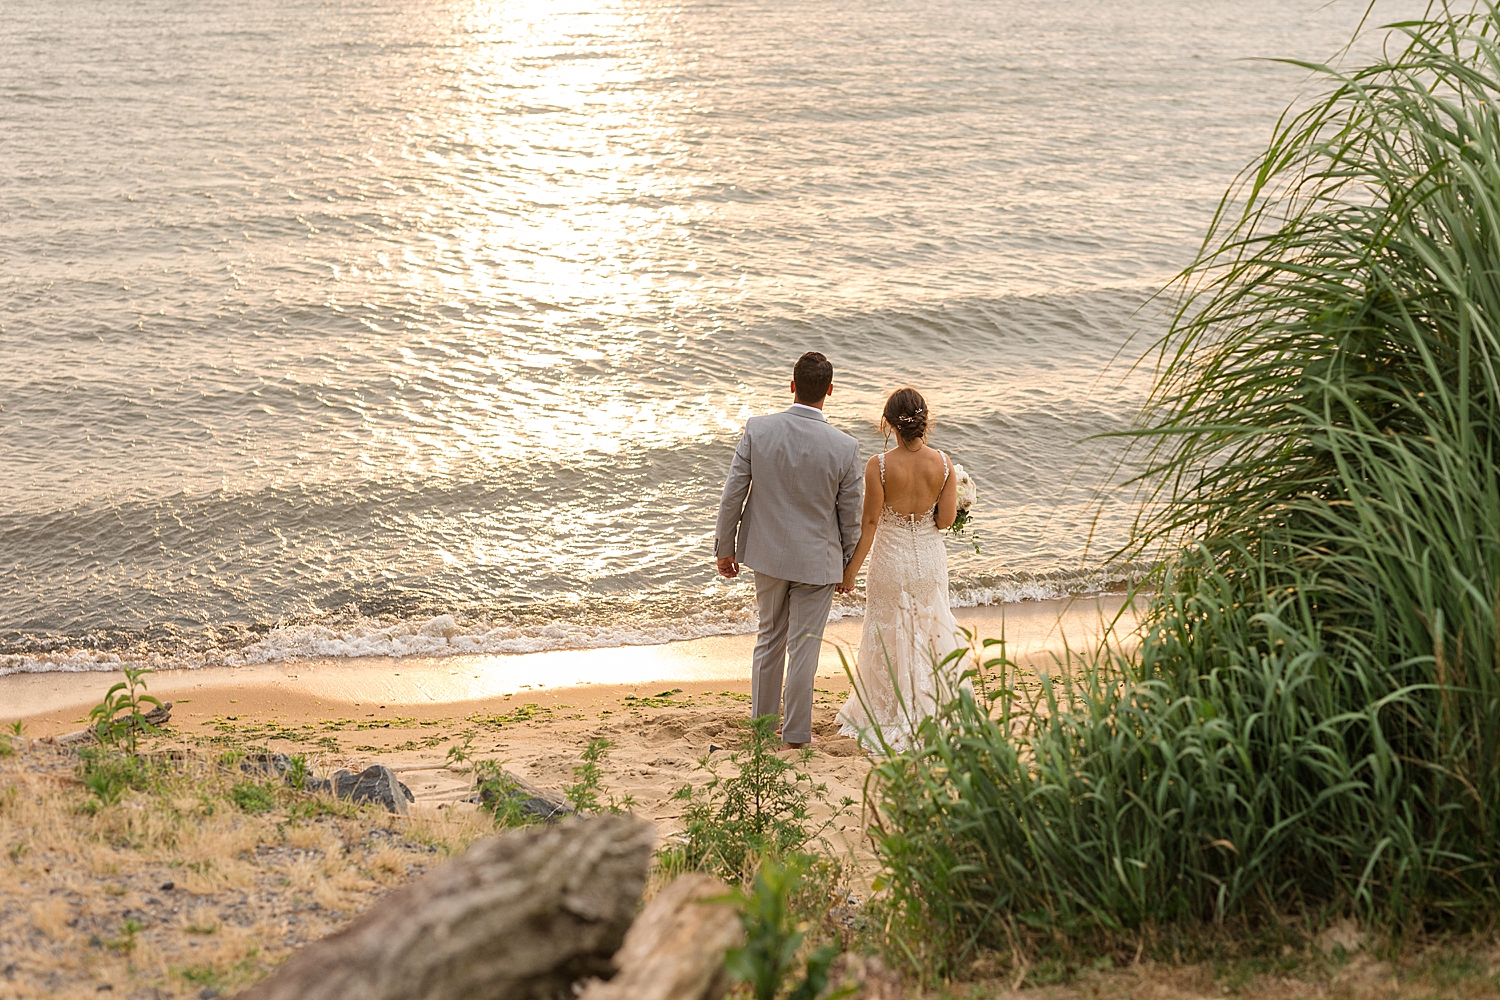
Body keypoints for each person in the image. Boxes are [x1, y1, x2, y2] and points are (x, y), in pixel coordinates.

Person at [714, 352, 863, 748]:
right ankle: (796, 734)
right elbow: (851, 518)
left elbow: (733, 495)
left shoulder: (758, 430)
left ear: (792, 385)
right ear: (829, 391)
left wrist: (724, 548)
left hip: (766, 554)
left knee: (769, 637)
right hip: (818, 561)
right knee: (805, 645)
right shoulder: (845, 447)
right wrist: (847, 566)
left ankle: (764, 728)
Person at [835, 387, 966, 751]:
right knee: (930, 630)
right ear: (925, 419)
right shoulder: (943, 464)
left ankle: (887, 710)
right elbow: (944, 521)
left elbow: (871, 523)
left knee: (886, 632)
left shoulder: (878, 465)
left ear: (889, 423)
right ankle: (932, 705)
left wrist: (850, 573)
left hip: (890, 561)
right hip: (928, 560)